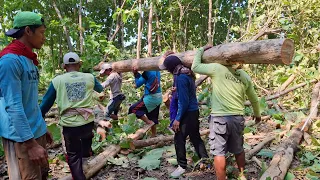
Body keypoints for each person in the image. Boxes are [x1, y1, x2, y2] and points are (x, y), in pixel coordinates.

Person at [191, 45, 261, 180]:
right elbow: (254, 99)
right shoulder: (245, 76)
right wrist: (257, 115)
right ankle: (242, 175)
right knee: (238, 149)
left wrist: (201, 49)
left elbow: (195, 67)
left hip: (220, 118)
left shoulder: (217, 68)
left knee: (219, 152)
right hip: (237, 118)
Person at [40, 52, 110, 180]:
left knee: (73, 156)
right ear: (79, 64)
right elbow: (100, 89)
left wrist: (39, 118)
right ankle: (85, 159)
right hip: (87, 122)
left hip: (69, 125)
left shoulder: (57, 81)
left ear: (64, 66)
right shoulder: (89, 77)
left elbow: (45, 105)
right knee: (85, 145)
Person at [0, 11, 51, 180]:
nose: (44, 38)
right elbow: (13, 105)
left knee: (42, 174)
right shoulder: (10, 61)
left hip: (35, 132)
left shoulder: (28, 59)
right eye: (42, 32)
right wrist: (30, 144)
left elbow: (30, 100)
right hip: (20, 138)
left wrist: (42, 127)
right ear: (28, 31)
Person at [159, 54, 209, 178]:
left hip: (187, 112)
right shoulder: (186, 72)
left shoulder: (180, 77)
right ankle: (206, 162)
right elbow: (187, 92)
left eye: (167, 68)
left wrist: (177, 119)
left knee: (179, 138)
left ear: (171, 67)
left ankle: (182, 166)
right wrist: (177, 90)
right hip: (193, 110)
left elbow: (184, 101)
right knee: (195, 137)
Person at [128, 69, 162, 138]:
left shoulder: (147, 72)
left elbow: (137, 84)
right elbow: (146, 79)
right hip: (158, 96)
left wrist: (135, 74)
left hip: (150, 98)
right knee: (153, 116)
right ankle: (153, 135)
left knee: (133, 109)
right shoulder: (156, 70)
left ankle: (148, 122)